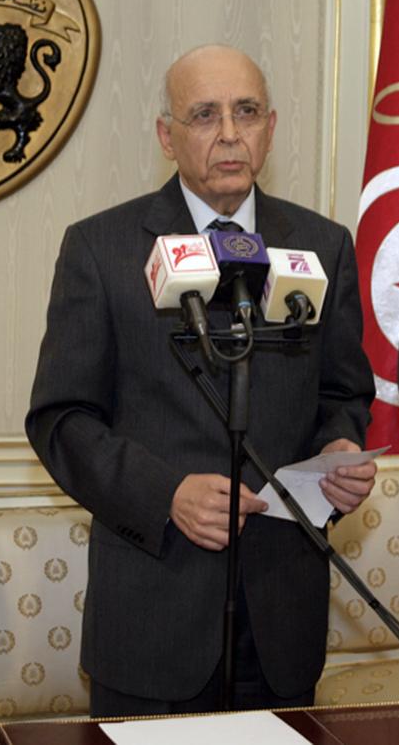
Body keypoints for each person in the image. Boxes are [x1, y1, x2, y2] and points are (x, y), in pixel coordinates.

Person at [26, 44, 376, 716]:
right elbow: (61, 419)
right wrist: (167, 494)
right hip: (154, 611)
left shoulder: (320, 245)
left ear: (270, 127)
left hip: (281, 612)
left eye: (245, 112)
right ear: (167, 135)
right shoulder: (102, 249)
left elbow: (342, 393)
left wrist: (339, 448)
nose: (228, 134)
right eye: (204, 114)